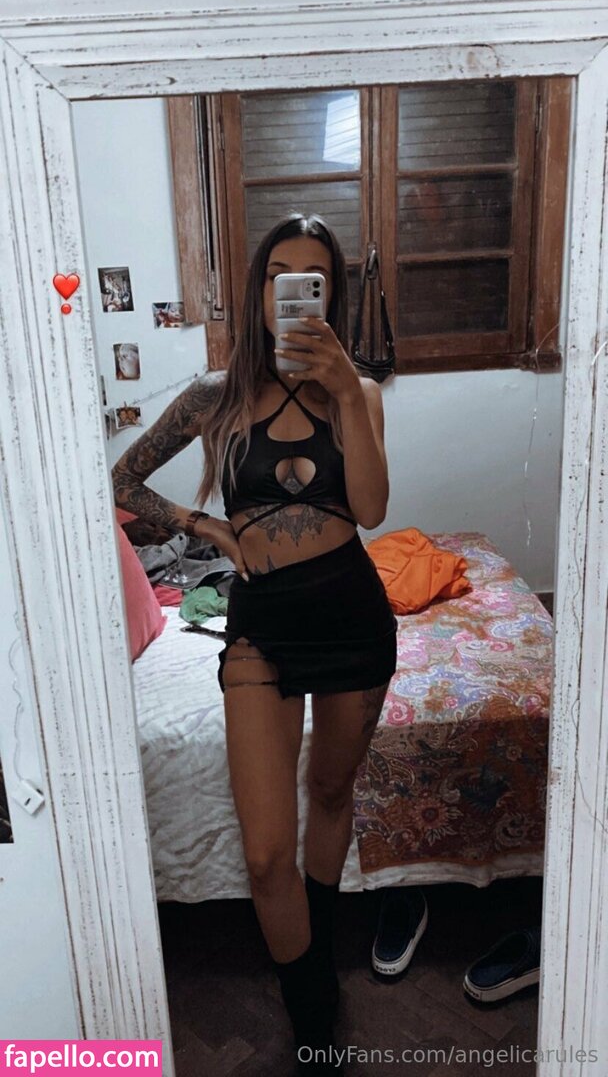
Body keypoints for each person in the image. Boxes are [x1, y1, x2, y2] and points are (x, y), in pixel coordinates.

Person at [112, 213, 398, 1075]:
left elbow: (373, 510)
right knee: (267, 850)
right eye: (280, 274)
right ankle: (309, 1007)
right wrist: (204, 526)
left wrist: (346, 388)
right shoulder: (215, 396)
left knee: (332, 792)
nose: (294, 291)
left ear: (332, 294)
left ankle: (320, 984)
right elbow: (121, 478)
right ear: (259, 289)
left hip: (351, 617)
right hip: (262, 626)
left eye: (314, 276)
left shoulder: (359, 393)